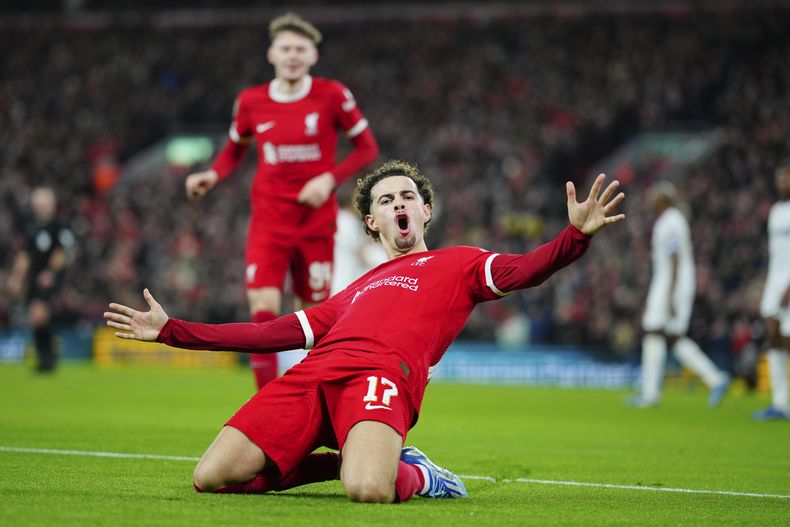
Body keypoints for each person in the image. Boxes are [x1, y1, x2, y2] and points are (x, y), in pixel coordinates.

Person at [105, 161, 625, 503]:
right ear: (372, 222)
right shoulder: (356, 289)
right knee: (211, 477)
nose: (398, 204)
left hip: (381, 378)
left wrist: (574, 238)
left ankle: (422, 475)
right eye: (384, 200)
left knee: (368, 490)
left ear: (425, 211)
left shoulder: (460, 264)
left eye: (407, 197)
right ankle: (339, 463)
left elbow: (525, 269)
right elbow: (270, 335)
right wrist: (174, 330)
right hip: (314, 376)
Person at [184, 13, 379, 389]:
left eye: (300, 49)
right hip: (269, 223)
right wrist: (213, 174)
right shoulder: (251, 101)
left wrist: (329, 178)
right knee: (264, 317)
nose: (292, 55)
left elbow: (367, 148)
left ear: (313, 56)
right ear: (271, 53)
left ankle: (316, 398)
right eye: (285, 48)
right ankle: (265, 407)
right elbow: (233, 150)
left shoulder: (332, 94)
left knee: (314, 320)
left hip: (316, 225)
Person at [629, 181, 730, 408]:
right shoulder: (670, 220)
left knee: (654, 330)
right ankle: (715, 378)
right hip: (671, 281)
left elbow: (674, 257)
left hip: (672, 283)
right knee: (671, 338)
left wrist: (671, 293)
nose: (650, 201)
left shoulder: (671, 221)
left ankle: (650, 393)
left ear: (664, 199)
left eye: (654, 197)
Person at [6, 186, 75, 373]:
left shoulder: (58, 226)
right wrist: (16, 278)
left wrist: (50, 272)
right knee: (35, 317)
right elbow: (25, 256)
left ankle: (49, 357)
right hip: (33, 278)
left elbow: (61, 252)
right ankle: (44, 357)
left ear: (51, 205)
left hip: (48, 278)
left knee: (39, 313)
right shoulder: (30, 227)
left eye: (43, 204)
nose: (40, 207)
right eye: (37, 204)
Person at [753, 161, 790, 421]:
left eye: (787, 178)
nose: (783, 182)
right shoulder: (776, 211)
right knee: (773, 337)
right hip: (775, 280)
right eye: (780, 178)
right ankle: (779, 404)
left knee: (786, 339)